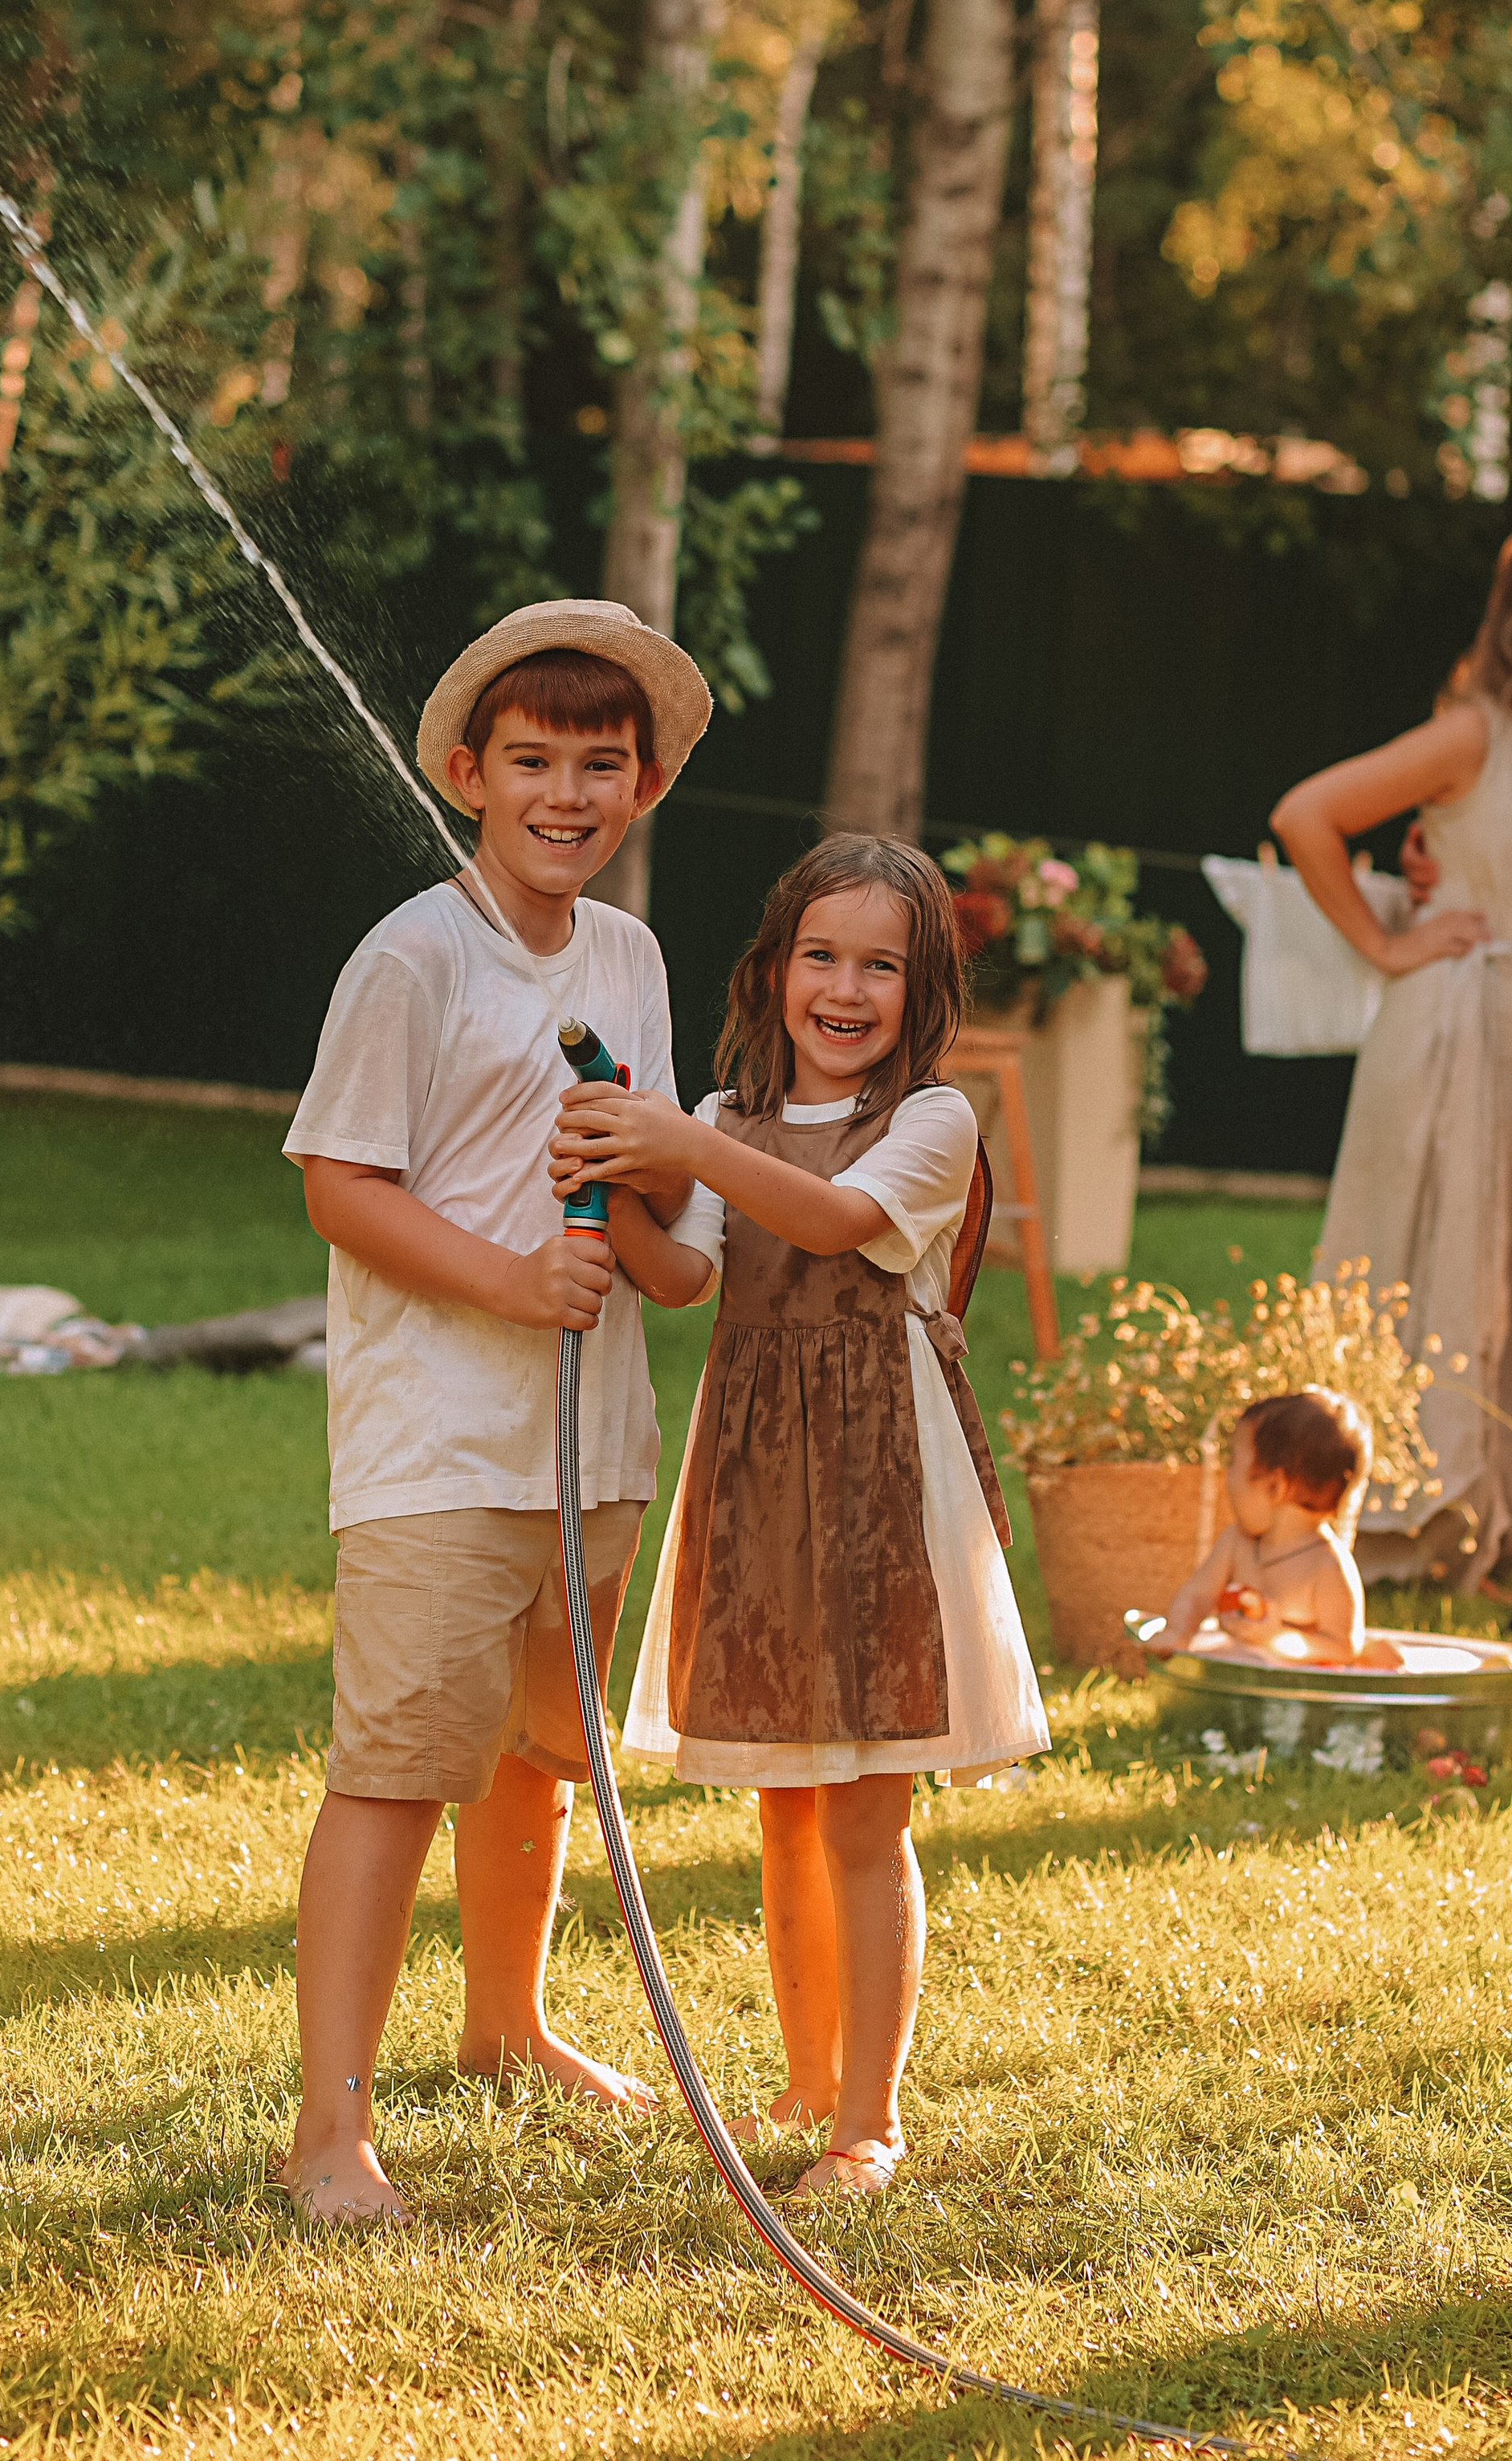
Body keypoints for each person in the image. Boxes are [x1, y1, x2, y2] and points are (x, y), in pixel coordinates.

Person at [275, 599, 712, 2224]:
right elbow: (338, 1186)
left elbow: (665, 1245)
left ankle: (506, 2021)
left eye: (602, 764)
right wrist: (509, 1284)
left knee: (541, 1753)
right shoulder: (409, 956)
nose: (568, 794)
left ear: (644, 784)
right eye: (533, 761)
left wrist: (655, 1228)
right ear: (467, 771)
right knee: (398, 1766)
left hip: (590, 1445)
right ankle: (330, 2132)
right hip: (437, 1448)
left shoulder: (631, 958)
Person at [548, 834, 1048, 2198]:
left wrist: (683, 1140)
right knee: (781, 1807)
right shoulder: (727, 1110)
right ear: (774, 972)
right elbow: (687, 1280)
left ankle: (870, 2122)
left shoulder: (933, 1123)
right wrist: (614, 1188)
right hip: (760, 1477)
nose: (845, 988)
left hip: (883, 1481)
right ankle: (805, 2077)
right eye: (820, 957)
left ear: (923, 988)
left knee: (864, 1813)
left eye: (879, 965)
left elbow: (830, 1223)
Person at [1270, 517, 1512, 1590]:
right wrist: (1388, 943)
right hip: (1455, 1027)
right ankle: (1384, 1512)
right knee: (1421, 1253)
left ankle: (1508, 1514)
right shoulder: (1476, 734)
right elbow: (1308, 814)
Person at [1155, 1389, 1385, 1667]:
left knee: (1377, 1656)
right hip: (1240, 1668)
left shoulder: (1327, 1566)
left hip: (1298, 1690)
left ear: (1275, 1486)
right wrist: (1178, 1631)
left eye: (1234, 1462)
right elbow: (1198, 1594)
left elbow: (1343, 1647)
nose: (1226, 1476)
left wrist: (1277, 1639)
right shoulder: (1236, 1544)